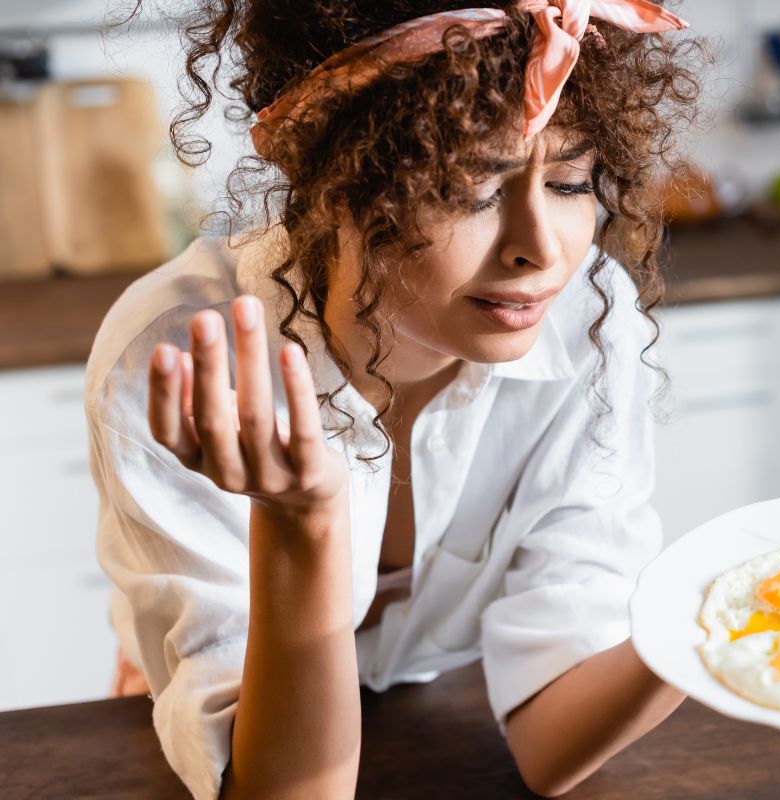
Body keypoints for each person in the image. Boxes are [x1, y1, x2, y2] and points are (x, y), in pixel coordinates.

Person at [86, 1, 703, 797]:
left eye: (569, 181)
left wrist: (720, 608)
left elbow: (553, 742)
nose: (541, 250)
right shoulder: (179, 355)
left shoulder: (590, 320)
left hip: (434, 724)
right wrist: (302, 520)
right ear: (336, 181)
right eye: (471, 189)